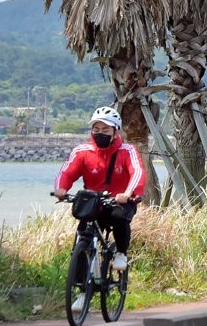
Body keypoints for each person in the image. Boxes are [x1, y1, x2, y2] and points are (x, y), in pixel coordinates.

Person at [55, 106, 146, 312]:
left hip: (120, 201)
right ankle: (81, 292)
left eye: (106, 130)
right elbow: (67, 172)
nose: (100, 134)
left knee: (120, 219)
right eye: (96, 129)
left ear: (116, 131)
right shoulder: (82, 151)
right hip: (93, 202)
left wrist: (128, 193)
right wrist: (61, 189)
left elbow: (138, 172)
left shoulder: (127, 151)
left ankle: (121, 253)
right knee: (82, 240)